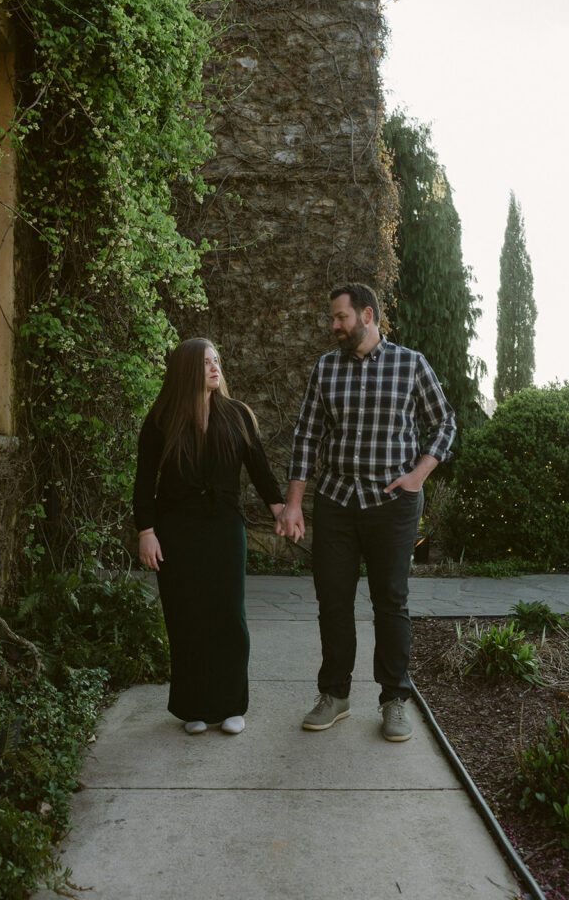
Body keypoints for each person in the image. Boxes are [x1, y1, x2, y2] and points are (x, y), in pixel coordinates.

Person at [276, 285, 455, 742]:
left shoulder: (410, 363)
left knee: (390, 601)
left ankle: (395, 698)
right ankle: (335, 695)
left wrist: (418, 475)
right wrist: (294, 503)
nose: (333, 326)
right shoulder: (325, 368)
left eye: (341, 317)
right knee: (332, 602)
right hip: (336, 502)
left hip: (392, 505)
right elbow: (306, 438)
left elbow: (444, 423)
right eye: (332, 319)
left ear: (367, 315)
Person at [134, 338, 284, 735]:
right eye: (205, 363)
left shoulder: (237, 415)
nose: (215, 368)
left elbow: (261, 471)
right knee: (186, 616)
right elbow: (144, 482)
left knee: (227, 616)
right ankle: (194, 706)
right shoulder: (161, 420)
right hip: (176, 531)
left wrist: (281, 509)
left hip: (223, 528)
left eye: (217, 360)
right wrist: (146, 531)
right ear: (186, 370)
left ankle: (232, 704)